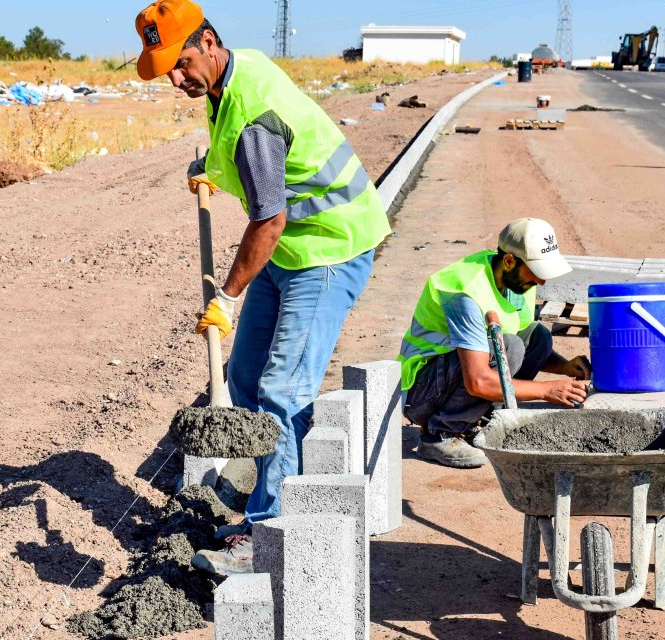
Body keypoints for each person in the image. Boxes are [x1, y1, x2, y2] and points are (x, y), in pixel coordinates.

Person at [132, 0, 391, 574]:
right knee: (245, 377)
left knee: (281, 389)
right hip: (293, 243)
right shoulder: (229, 77)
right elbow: (259, 166)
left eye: (179, 65)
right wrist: (213, 172)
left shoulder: (251, 109)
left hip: (329, 247)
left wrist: (226, 297)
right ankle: (273, 497)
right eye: (165, 71)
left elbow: (267, 217)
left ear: (208, 41)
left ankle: (271, 534)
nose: (175, 80)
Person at [398, 218, 591, 469]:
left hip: (450, 376)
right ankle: (440, 433)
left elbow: (522, 336)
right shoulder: (466, 292)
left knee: (538, 337)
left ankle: (482, 418)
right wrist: (547, 390)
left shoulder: (515, 279)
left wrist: (564, 367)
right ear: (510, 260)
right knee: (509, 347)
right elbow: (477, 380)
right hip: (420, 391)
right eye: (537, 273)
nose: (541, 281)